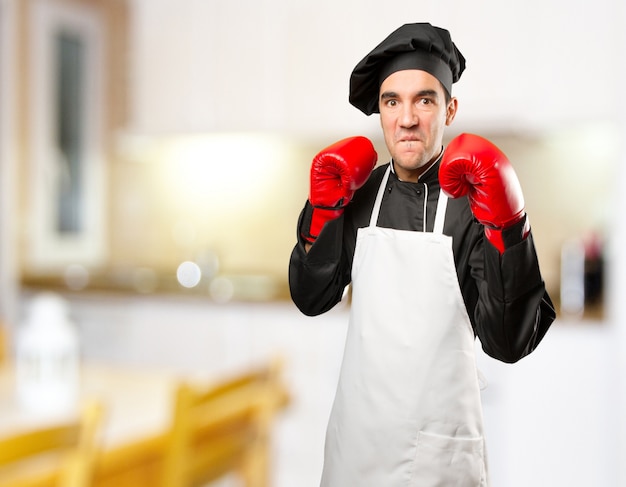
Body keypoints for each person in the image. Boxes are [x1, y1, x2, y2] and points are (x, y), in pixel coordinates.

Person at [288, 22, 555, 486]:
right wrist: (323, 210)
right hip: (358, 447)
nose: (407, 118)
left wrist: (509, 228)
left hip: (439, 458)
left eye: (424, 100)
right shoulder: (357, 193)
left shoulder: (475, 205)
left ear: (450, 109)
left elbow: (508, 343)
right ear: (381, 112)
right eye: (393, 101)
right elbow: (311, 297)